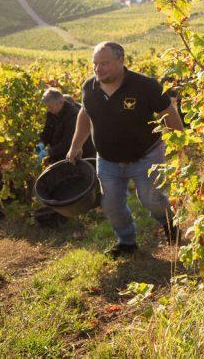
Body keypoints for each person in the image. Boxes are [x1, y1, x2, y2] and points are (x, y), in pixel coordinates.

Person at [66, 42, 184, 257]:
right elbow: (85, 115)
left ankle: (170, 225)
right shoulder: (89, 87)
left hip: (147, 156)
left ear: (121, 61)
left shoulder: (145, 85)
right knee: (112, 205)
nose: (98, 69)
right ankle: (126, 242)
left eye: (104, 63)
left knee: (151, 200)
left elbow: (168, 113)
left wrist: (180, 144)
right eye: (95, 64)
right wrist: (75, 146)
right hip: (108, 160)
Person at [40, 88, 95, 165]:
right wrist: (42, 142)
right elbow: (48, 130)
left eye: (50, 107)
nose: (48, 109)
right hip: (61, 154)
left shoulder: (73, 116)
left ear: (60, 103)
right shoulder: (51, 113)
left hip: (81, 157)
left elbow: (68, 143)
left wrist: (49, 152)